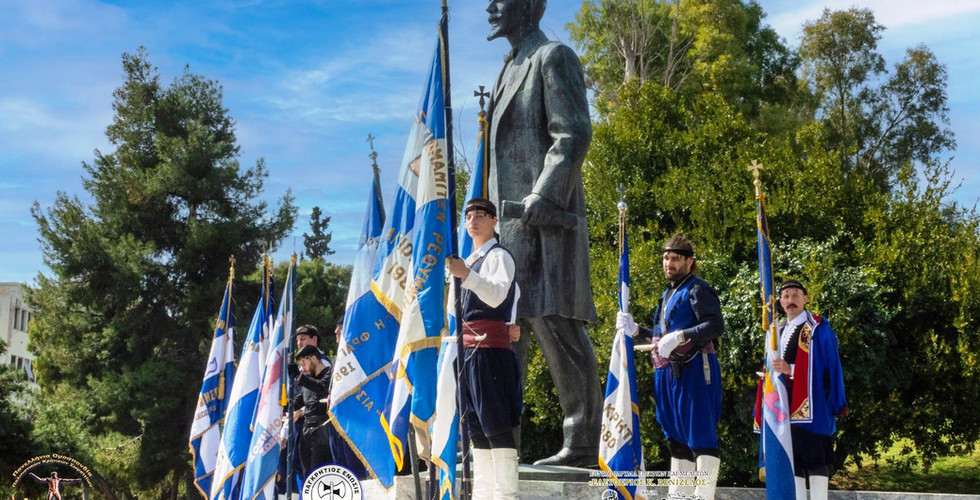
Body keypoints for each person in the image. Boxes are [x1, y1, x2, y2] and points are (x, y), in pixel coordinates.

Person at [485, 0, 601, 467]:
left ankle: (583, 443)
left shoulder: (552, 57)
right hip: (503, 232)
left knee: (557, 329)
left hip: (545, 225)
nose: (490, 7)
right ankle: (501, 441)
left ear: (528, 6)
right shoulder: (506, 68)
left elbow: (572, 134)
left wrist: (545, 196)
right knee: (505, 337)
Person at [617, 235, 724, 500]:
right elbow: (658, 335)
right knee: (675, 436)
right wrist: (636, 330)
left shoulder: (698, 289)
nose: (669, 263)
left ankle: (702, 496)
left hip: (696, 369)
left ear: (690, 261)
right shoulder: (667, 294)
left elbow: (714, 325)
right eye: (666, 258)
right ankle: (679, 495)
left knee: (700, 434)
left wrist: (681, 337)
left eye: (675, 258)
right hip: (666, 372)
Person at [447, 198, 523, 500]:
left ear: (494, 221)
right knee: (477, 430)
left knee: (497, 426)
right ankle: (484, 494)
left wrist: (467, 276)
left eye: (481, 215)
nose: (473, 220)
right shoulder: (472, 259)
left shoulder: (498, 256)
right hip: (467, 353)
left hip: (489, 350)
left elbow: (498, 296)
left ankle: (505, 495)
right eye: (469, 216)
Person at [755, 279, 847, 500]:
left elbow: (827, 368)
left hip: (812, 407)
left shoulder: (819, 330)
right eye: (785, 296)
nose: (790, 300)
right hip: (783, 409)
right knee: (792, 460)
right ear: (780, 301)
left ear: (806, 299)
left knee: (816, 461)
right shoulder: (777, 329)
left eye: (796, 295)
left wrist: (792, 369)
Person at [327, 315, 368, 479]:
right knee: (340, 468)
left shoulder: (361, 354)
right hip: (336, 419)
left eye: (341, 327)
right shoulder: (337, 358)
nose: (336, 331)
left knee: (354, 469)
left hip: (354, 420)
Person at [291, 344, 333, 477]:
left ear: (314, 358)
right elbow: (298, 401)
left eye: (304, 363)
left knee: (318, 473)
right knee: (306, 473)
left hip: (322, 428)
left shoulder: (329, 374)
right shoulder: (308, 380)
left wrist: (299, 376)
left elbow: (321, 387)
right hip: (306, 429)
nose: (302, 368)